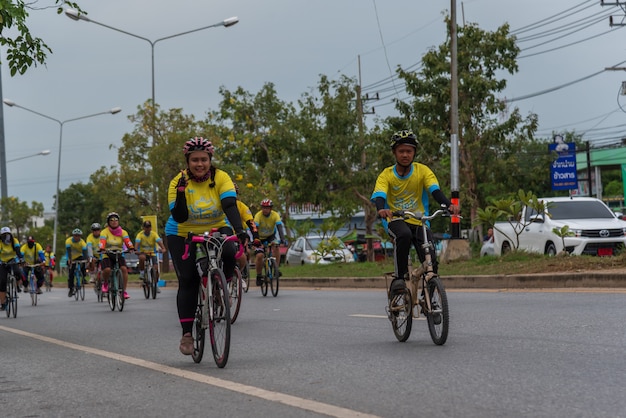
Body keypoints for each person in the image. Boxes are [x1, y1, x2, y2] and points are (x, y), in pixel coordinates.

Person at [165, 137, 247, 356]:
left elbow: (230, 204)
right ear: (188, 161)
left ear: (210, 160)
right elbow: (180, 216)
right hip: (182, 232)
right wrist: (181, 193)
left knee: (229, 251)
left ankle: (221, 286)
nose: (199, 164)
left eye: (203, 160)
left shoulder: (222, 177)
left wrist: (239, 230)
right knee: (189, 278)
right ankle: (187, 334)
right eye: (194, 160)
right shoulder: (177, 181)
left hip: (217, 226)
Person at [371, 130, 459, 297]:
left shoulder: (422, 171)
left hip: (419, 220)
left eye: (409, 151)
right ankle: (398, 279)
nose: (405, 155)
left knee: (430, 259)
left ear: (414, 153)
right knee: (403, 235)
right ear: (394, 153)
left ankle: (431, 299)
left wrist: (449, 205)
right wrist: (381, 209)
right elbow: (380, 196)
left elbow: (435, 191)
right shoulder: (386, 175)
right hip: (394, 219)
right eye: (401, 151)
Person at [99, 212, 135, 300]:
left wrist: (131, 247)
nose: (114, 222)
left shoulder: (123, 232)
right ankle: (106, 283)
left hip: (119, 253)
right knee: (107, 269)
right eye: (111, 220)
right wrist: (102, 248)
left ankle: (124, 291)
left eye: (116, 220)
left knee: (124, 269)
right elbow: (102, 241)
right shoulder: (104, 232)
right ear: (108, 222)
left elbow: (127, 241)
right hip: (107, 253)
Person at [253, 199, 286, 286]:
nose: (265, 210)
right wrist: (256, 241)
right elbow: (255, 229)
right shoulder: (258, 216)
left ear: (271, 208)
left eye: (267, 208)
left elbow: (279, 228)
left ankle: (276, 269)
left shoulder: (275, 215)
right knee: (259, 256)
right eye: (263, 208)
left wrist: (283, 239)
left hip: (270, 236)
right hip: (259, 238)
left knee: (276, 247)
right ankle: (259, 276)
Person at [233, 182, 260, 289]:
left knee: (243, 255)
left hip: (236, 236)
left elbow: (252, 224)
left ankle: (240, 274)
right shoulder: (216, 204)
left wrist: (256, 237)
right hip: (218, 235)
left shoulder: (242, 206)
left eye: (233, 193)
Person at [135, 220, 166, 286]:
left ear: (151, 228)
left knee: (156, 269)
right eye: (146, 227)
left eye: (149, 227)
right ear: (143, 228)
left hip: (152, 253)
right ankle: (142, 272)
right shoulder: (140, 235)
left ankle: (155, 284)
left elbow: (159, 242)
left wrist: (163, 248)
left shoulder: (154, 234)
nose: (147, 229)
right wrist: (136, 250)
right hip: (143, 253)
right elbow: (137, 244)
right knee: (142, 258)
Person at [0, 227, 23, 311]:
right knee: (2, 282)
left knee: (18, 273)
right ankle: (3, 303)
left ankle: (16, 286)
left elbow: (18, 251)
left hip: (13, 261)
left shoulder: (14, 241)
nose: (6, 236)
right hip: (2, 263)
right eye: (4, 235)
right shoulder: (0, 243)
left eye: (8, 235)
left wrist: (21, 259)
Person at [66, 228, 88, 297]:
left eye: (78, 236)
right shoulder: (68, 241)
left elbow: (85, 252)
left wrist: (86, 259)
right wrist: (69, 259)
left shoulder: (82, 242)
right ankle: (71, 288)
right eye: (75, 236)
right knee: (71, 273)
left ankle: (83, 277)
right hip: (71, 257)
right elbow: (69, 251)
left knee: (83, 263)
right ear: (73, 236)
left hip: (79, 256)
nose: (77, 237)